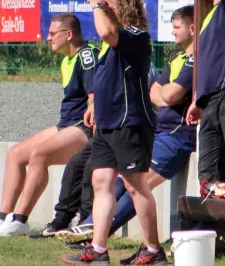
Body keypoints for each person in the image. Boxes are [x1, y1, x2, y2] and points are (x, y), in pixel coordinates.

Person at [56, 5, 197, 249]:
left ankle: (126, 242)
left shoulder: (196, 59)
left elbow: (170, 95)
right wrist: (164, 93)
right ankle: (92, 232)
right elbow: (154, 91)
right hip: (159, 132)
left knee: (136, 185)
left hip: (176, 136)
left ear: (192, 29)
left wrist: (165, 93)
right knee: (111, 180)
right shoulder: (177, 59)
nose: (172, 32)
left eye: (176, 27)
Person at [0, 13, 99, 237]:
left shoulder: (86, 55)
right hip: (67, 124)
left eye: (52, 34)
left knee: (39, 155)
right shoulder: (66, 60)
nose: (47, 38)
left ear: (68, 35)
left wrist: (94, 111)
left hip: (84, 128)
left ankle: (20, 220)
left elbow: (94, 94)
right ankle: (2, 217)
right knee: (16, 154)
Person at [62, 0, 158, 266]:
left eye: (108, 4)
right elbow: (107, 82)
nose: (103, 8)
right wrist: (93, 107)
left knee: (135, 185)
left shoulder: (135, 36)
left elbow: (106, 32)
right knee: (101, 181)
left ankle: (152, 249)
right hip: (107, 125)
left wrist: (95, 6)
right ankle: (98, 249)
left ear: (122, 8)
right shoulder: (110, 46)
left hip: (129, 124)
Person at [30, 56, 159, 240]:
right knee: (76, 162)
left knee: (97, 170)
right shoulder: (109, 61)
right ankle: (61, 219)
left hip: (129, 130)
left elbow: (132, 99)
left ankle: (86, 223)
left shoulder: (139, 65)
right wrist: (94, 106)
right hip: (107, 130)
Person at [185, 0, 225, 195]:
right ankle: (216, 224)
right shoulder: (209, 13)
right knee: (207, 173)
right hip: (209, 100)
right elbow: (208, 61)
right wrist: (197, 99)